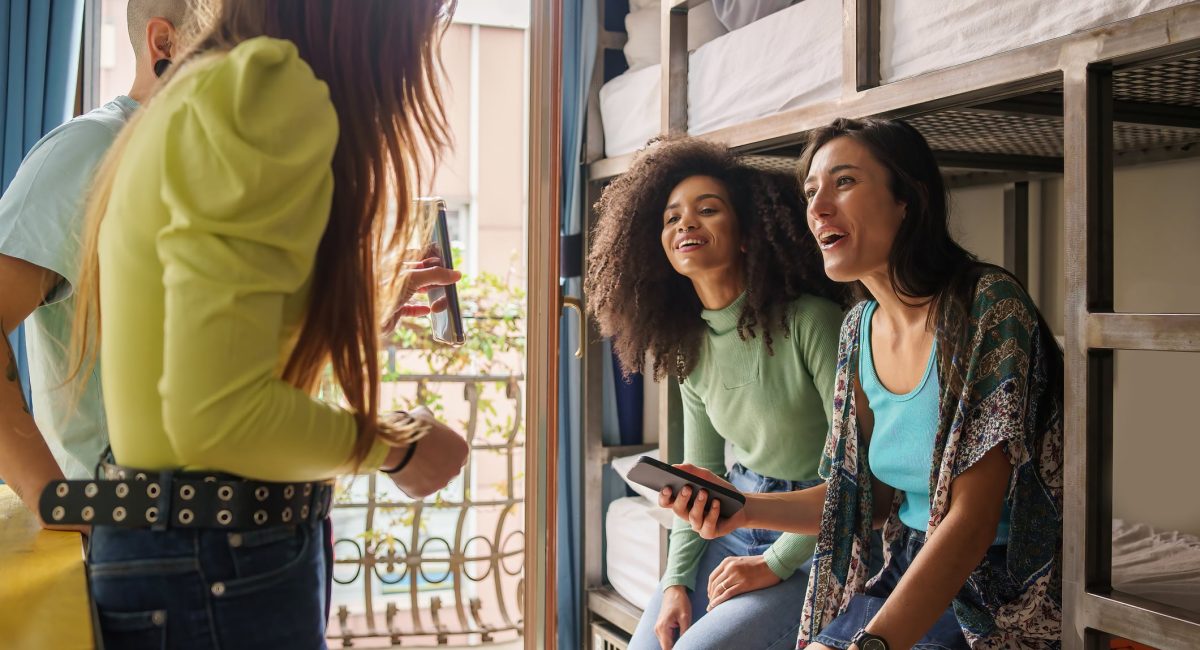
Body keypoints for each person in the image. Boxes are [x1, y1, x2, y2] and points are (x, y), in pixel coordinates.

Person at [48, 1, 469, 647]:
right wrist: (398, 448)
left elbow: (204, 373)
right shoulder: (263, 86)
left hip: (181, 551)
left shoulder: (205, 87)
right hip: (219, 556)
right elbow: (219, 416)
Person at [664, 118, 1064, 649]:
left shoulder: (987, 306)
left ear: (908, 198)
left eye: (844, 182)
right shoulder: (858, 328)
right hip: (905, 562)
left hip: (999, 586)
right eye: (810, 191)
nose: (818, 207)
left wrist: (872, 645)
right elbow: (863, 501)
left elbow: (972, 523)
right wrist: (744, 506)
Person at [586, 137, 846, 650]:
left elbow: (855, 479)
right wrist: (676, 582)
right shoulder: (689, 348)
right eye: (671, 217)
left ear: (747, 235)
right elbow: (698, 477)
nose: (685, 223)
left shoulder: (812, 323)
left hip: (814, 533)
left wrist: (772, 564)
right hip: (733, 515)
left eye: (707, 210)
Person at [0, 0, 210, 527]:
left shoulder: (224, 173)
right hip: (139, 544)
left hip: (252, 543)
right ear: (165, 44)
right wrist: (56, 501)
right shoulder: (90, 152)